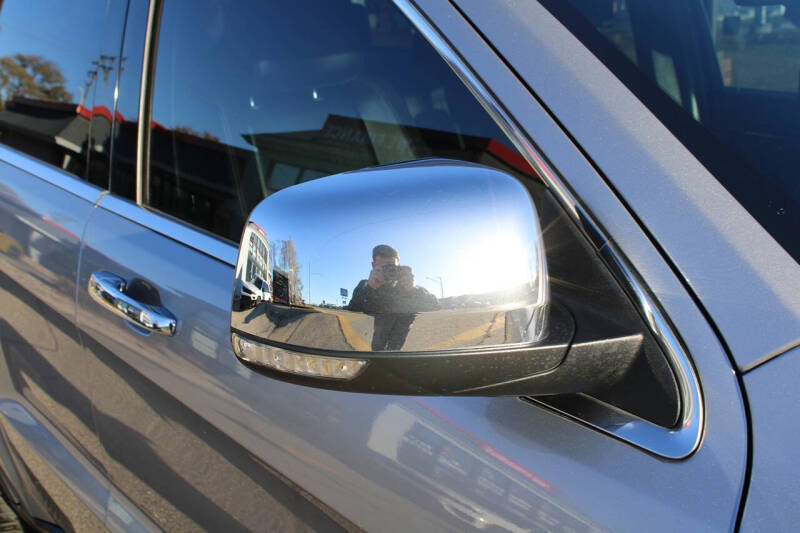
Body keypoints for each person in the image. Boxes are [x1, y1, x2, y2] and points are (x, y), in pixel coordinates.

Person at [349, 245, 438, 350]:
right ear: (373, 266)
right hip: (376, 345)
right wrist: (370, 288)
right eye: (383, 267)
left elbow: (435, 307)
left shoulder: (408, 286)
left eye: (392, 266)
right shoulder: (365, 285)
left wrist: (413, 290)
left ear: (398, 266)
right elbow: (351, 310)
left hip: (400, 346)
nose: (389, 271)